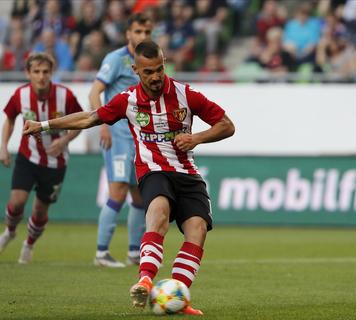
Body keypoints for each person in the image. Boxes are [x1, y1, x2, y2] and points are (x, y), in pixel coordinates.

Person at [23, 40, 235, 315]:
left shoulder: (186, 95)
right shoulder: (128, 100)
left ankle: (177, 296)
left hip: (187, 173)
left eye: (159, 69)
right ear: (136, 70)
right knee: (157, 213)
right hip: (153, 171)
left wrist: (196, 138)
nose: (156, 76)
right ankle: (145, 280)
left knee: (198, 230)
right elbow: (90, 118)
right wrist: (43, 125)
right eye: (148, 72)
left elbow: (227, 126)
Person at [0, 52, 82, 263]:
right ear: (28, 73)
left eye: (45, 71)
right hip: (27, 157)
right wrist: (3, 146)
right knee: (17, 202)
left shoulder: (66, 95)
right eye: (36, 71)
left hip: (56, 162)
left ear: (51, 73)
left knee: (39, 209)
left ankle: (28, 245)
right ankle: (9, 232)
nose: (41, 76)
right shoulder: (21, 95)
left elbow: (80, 122)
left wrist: (64, 141)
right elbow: (9, 119)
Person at [89, 13, 152, 268]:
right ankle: (101, 253)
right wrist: (103, 124)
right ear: (128, 33)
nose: (143, 37)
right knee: (117, 192)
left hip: (141, 139)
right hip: (118, 136)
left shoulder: (148, 59)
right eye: (138, 32)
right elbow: (95, 92)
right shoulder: (116, 59)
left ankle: (134, 252)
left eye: (147, 33)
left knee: (139, 196)